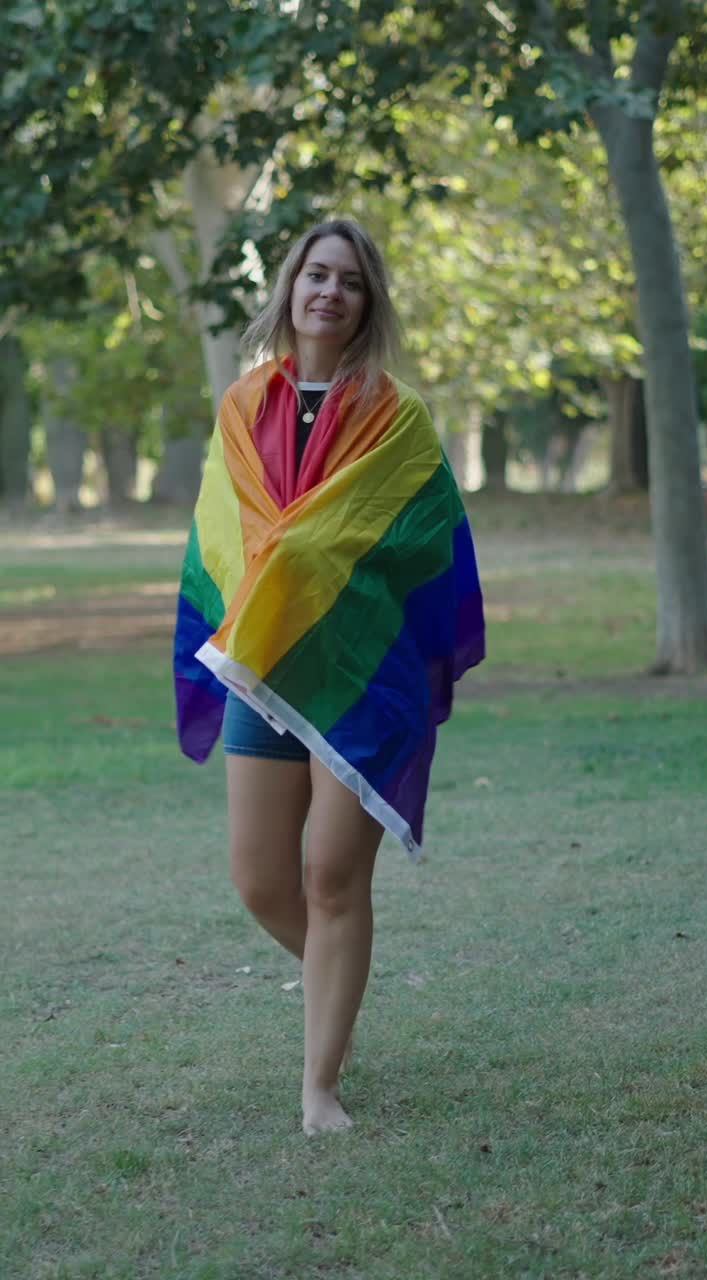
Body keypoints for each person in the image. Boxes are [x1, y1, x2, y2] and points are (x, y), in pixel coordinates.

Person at [174, 218, 485, 1136]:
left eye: (350, 281)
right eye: (317, 274)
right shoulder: (244, 406)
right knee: (259, 879)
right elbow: (227, 537)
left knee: (332, 878)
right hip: (266, 667)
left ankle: (320, 1087)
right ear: (292, 287)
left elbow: (423, 540)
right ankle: (334, 986)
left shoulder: (397, 417)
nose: (330, 292)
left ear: (367, 303)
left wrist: (317, 555)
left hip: (362, 674)